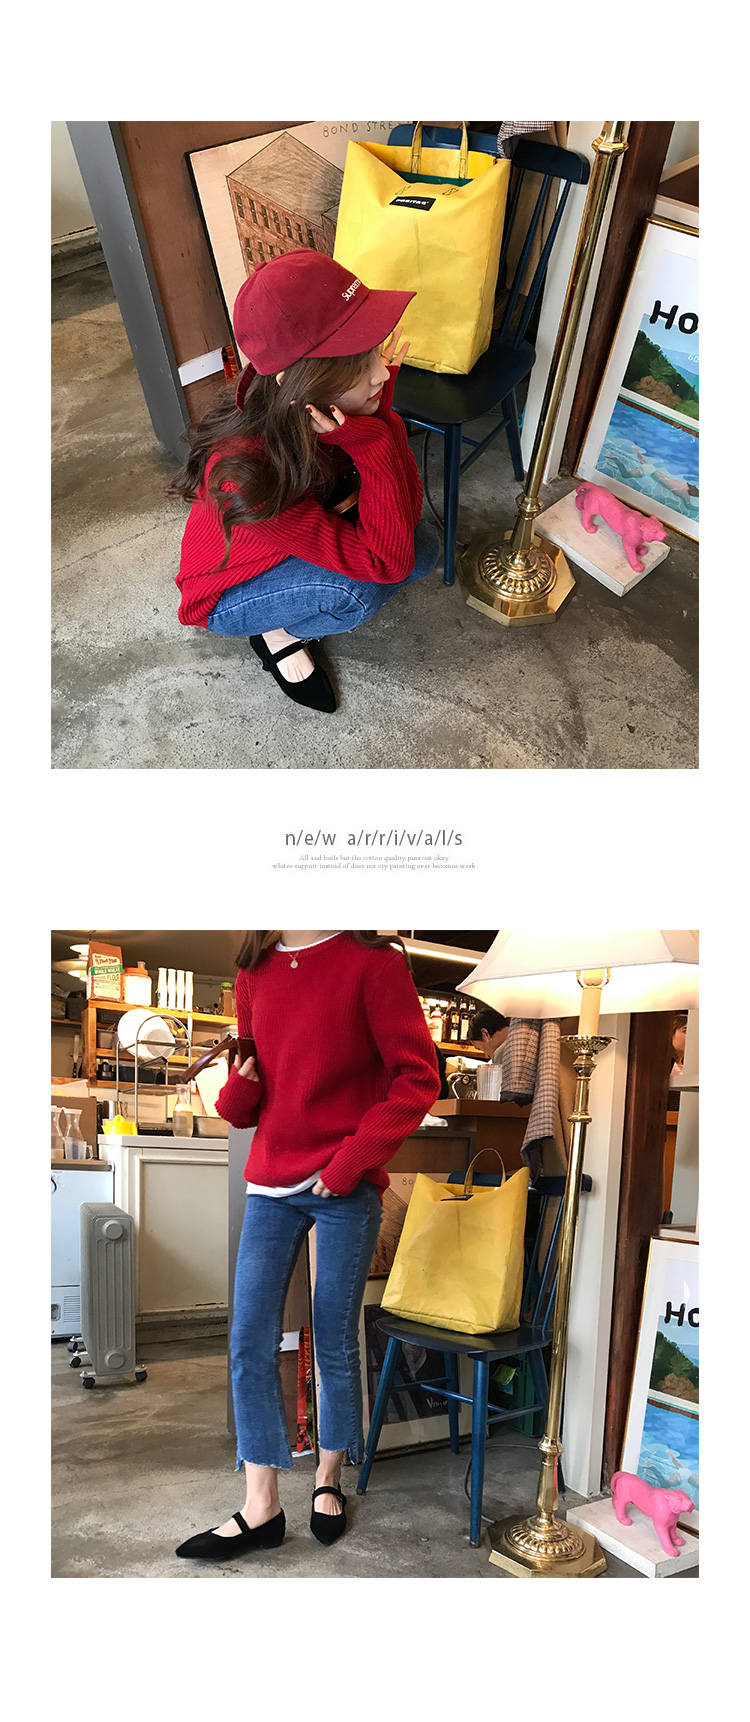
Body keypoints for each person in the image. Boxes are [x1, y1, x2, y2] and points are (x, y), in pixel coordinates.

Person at [175, 929, 440, 1563]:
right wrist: (239, 1088)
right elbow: (246, 1106)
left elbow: (417, 1077)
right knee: (248, 1339)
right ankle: (260, 1505)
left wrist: (352, 1161)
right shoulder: (253, 972)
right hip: (270, 1183)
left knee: (333, 1337)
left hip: (343, 1182)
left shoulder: (373, 964)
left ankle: (328, 1478)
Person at [170, 250, 441, 714]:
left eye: (373, 352)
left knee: (426, 548)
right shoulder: (248, 474)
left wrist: (378, 421)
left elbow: (406, 512)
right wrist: (372, 442)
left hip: (296, 538)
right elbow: (387, 563)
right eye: (358, 366)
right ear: (297, 383)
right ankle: (277, 635)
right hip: (226, 592)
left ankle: (291, 611)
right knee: (357, 593)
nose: (382, 373)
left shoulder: (313, 414)